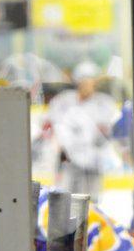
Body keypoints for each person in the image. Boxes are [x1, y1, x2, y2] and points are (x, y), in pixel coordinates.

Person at [47, 60, 120, 201]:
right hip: (68, 163)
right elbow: (53, 126)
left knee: (92, 201)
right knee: (66, 200)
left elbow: (110, 132)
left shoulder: (104, 104)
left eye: (90, 81)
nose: (87, 85)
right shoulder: (63, 101)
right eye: (83, 81)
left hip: (93, 163)